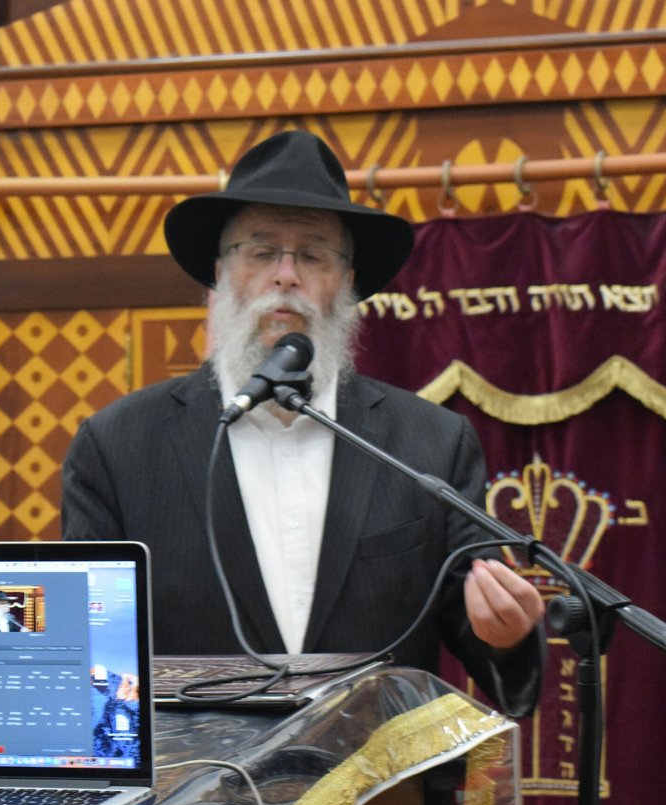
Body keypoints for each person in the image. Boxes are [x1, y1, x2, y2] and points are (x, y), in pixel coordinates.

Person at [62, 130, 544, 715]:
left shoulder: (432, 444)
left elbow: (490, 652)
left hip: (380, 769)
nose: (286, 275)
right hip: (197, 772)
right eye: (261, 252)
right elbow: (95, 659)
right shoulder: (118, 446)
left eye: (313, 255)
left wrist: (505, 635)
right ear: (219, 274)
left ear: (347, 282)